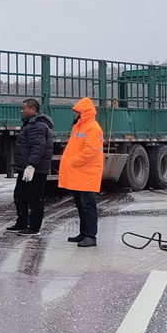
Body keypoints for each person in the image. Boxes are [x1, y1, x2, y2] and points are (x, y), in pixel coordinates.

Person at [58, 97, 104, 247]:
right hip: (81, 172)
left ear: (84, 112)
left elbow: (90, 151)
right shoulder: (80, 126)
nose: (75, 113)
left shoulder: (92, 127)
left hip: (87, 172)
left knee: (88, 205)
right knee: (80, 204)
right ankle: (84, 233)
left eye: (78, 111)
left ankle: (91, 236)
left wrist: (73, 161)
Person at [6, 98, 54, 236]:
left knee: (35, 198)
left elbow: (38, 148)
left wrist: (31, 165)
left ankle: (34, 227)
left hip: (36, 169)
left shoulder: (37, 126)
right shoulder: (30, 124)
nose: (22, 111)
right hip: (26, 168)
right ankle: (22, 223)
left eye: (24, 108)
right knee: (20, 195)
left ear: (33, 109)